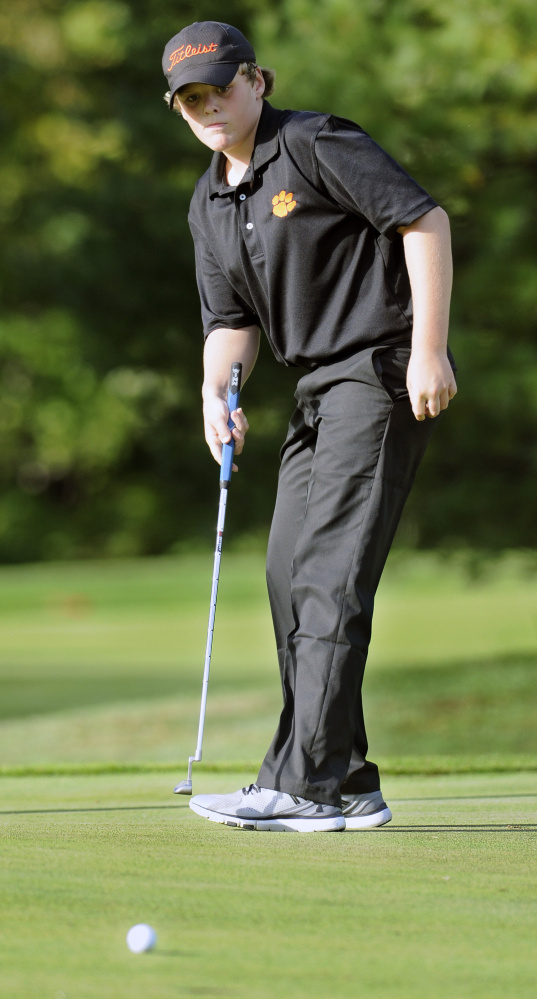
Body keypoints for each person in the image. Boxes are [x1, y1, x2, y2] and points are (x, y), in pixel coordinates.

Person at [162, 21, 457, 833]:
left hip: (379, 370)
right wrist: (212, 392)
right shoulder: (210, 199)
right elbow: (229, 322)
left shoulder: (315, 142)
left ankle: (306, 783)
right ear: (179, 109)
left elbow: (422, 222)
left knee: (330, 576)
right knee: (289, 574)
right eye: (192, 98)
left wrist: (427, 350)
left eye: (221, 86)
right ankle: (348, 777)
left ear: (257, 80)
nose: (209, 104)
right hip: (315, 391)